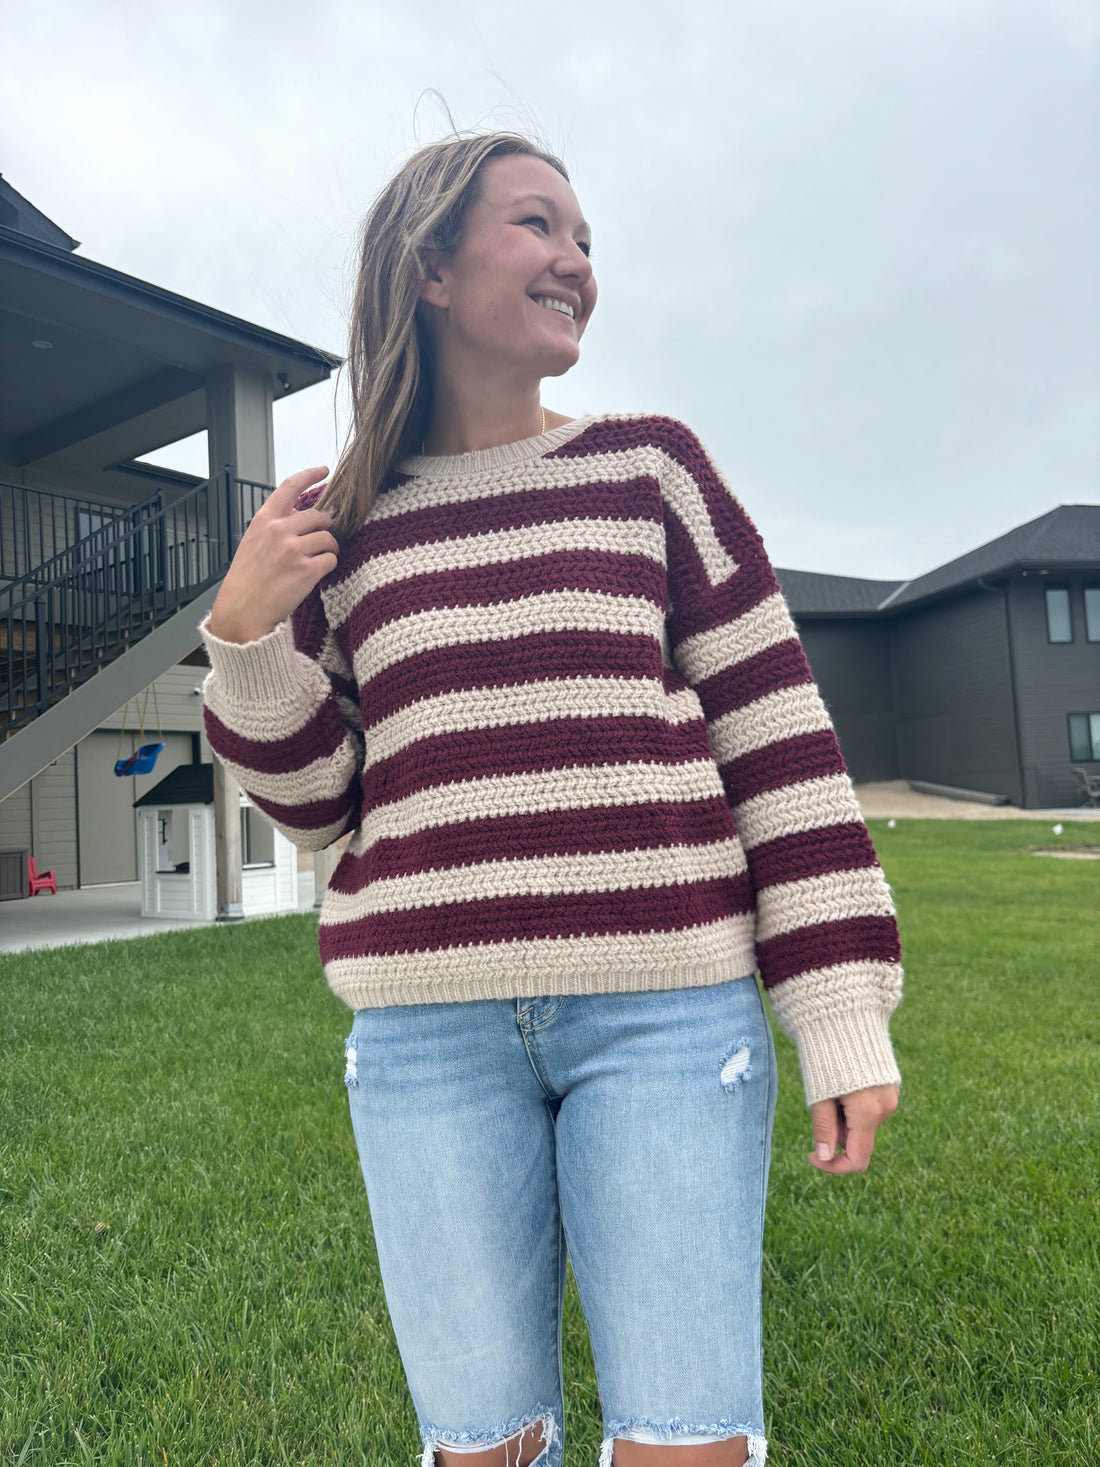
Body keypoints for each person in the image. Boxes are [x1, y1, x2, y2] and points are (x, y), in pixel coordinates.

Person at [199, 131, 902, 1467]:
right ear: (431, 267)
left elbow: (782, 753)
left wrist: (841, 1014)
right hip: (424, 1044)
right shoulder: (342, 530)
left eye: (587, 241)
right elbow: (318, 811)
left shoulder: (653, 473)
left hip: (666, 1022)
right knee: (483, 1448)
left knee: (685, 1443)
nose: (577, 262)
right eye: (539, 226)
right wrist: (243, 639)